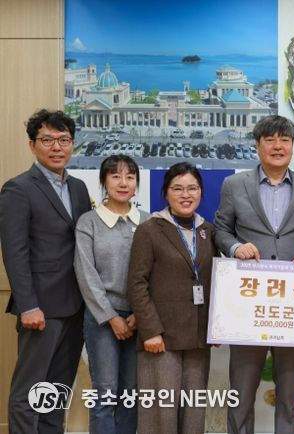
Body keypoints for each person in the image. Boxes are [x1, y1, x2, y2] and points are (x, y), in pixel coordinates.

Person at [214, 115, 294, 434]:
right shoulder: (234, 185)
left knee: (290, 395)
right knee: (241, 392)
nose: (278, 146)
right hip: (249, 305)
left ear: (292, 146)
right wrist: (236, 248)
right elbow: (221, 230)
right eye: (270, 140)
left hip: (291, 308)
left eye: (284, 140)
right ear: (257, 145)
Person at [0, 109, 91, 434]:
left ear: (72, 144)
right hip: (40, 308)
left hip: (75, 306)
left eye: (63, 140)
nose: (56, 147)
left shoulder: (79, 188)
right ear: (32, 145)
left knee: (56, 392)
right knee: (29, 392)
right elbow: (15, 252)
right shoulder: (18, 189)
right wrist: (28, 305)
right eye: (48, 140)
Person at [127, 162, 215, 434]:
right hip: (161, 339)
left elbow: (217, 281)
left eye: (192, 188)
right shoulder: (150, 229)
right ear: (166, 193)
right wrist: (150, 331)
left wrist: (217, 328)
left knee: (194, 414)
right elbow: (136, 284)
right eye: (177, 188)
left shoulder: (208, 231)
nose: (185, 195)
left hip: (198, 338)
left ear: (201, 192)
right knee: (160, 415)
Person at [74, 155, 150, 434]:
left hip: (138, 317)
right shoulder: (89, 222)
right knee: (105, 391)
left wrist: (140, 315)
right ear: (104, 181)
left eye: (130, 177)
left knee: (130, 392)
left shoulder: (147, 221)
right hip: (102, 319)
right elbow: (86, 274)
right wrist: (110, 317)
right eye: (116, 176)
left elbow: (154, 272)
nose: (123, 183)